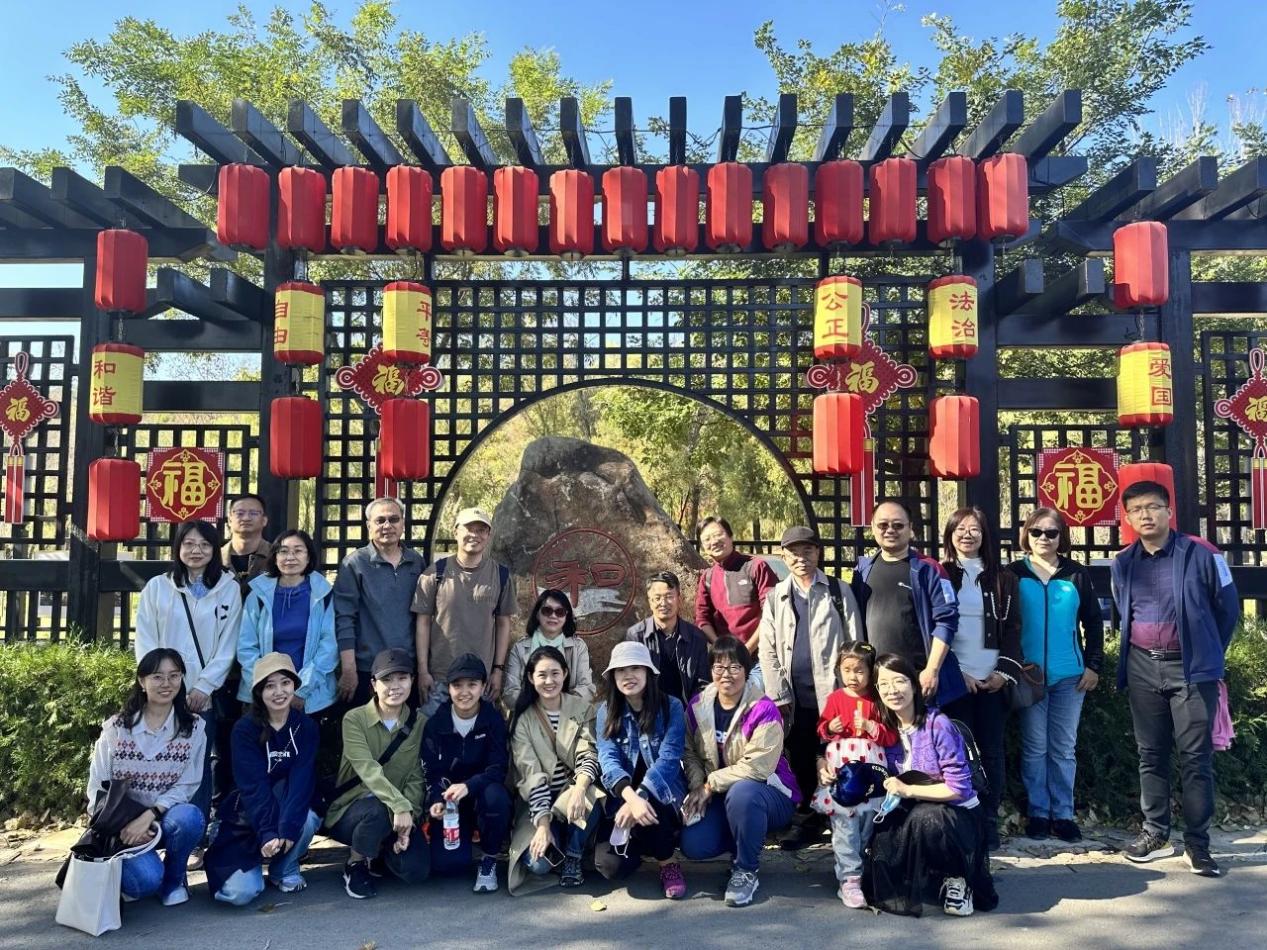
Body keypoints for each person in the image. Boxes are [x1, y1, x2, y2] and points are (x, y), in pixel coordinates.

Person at [1113, 480, 1240, 877]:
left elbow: (1228, 610)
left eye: (1153, 506)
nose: (1145, 515)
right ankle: (1155, 833)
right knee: (1150, 754)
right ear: (1128, 518)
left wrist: (1207, 653)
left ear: (1169, 511)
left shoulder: (1203, 553)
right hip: (1142, 666)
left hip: (1191, 669)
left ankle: (1197, 844)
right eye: (1137, 510)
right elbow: (1123, 609)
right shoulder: (1124, 561)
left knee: (1195, 758)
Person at [864, 653, 997, 918]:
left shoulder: (938, 725)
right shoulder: (885, 730)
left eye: (899, 681)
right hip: (913, 808)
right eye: (884, 684)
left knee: (927, 818)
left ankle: (957, 878)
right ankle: (929, 872)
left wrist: (908, 790)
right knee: (883, 842)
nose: (892, 690)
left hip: (956, 814)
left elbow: (958, 789)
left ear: (914, 685)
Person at [133, 521, 243, 838]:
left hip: (201, 696)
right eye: (189, 544)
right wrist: (159, 684)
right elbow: (146, 640)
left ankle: (194, 833)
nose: (196, 551)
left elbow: (228, 645)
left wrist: (204, 686)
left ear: (214, 549)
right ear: (178, 547)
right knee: (159, 762)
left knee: (197, 763)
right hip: (161, 694)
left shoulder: (228, 589)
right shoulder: (158, 588)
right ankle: (153, 830)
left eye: (204, 545)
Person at [757, 524, 862, 850]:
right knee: (801, 756)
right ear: (784, 556)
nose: (801, 557)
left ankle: (840, 815)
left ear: (818, 552)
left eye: (808, 550)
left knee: (836, 753)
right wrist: (778, 694)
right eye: (793, 552)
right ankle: (807, 820)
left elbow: (856, 641)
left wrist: (854, 690)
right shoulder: (776, 596)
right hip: (794, 697)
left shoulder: (838, 591)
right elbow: (767, 648)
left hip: (833, 693)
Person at [680, 636, 799, 908]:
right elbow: (689, 751)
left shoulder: (764, 709)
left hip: (768, 792)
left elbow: (757, 767)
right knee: (695, 844)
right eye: (719, 667)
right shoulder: (698, 705)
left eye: (734, 667)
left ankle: (746, 869)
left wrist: (709, 785)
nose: (726, 674)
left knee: (743, 793)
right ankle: (743, 839)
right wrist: (698, 786)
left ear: (746, 671)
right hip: (722, 794)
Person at [1008, 507, 1103, 843]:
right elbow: (1003, 624)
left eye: (1051, 533)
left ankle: (1063, 814)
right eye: (1037, 532)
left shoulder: (1076, 574)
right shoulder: (1014, 574)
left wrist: (1093, 665)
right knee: (1035, 747)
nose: (1044, 538)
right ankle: (1038, 812)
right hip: (1029, 676)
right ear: (1026, 535)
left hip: (1070, 676)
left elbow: (1094, 621)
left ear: (1061, 537)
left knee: (1063, 748)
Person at [86, 648, 207, 905]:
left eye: (174, 676)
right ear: (142, 681)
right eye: (157, 677)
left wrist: (150, 816)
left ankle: (174, 880)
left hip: (163, 817)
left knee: (190, 817)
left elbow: (188, 783)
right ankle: (135, 875)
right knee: (147, 880)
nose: (166, 683)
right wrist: (125, 827)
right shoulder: (117, 729)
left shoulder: (194, 728)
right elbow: (98, 787)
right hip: (122, 826)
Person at [205, 653, 322, 905]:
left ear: (294, 686)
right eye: (270, 686)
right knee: (238, 893)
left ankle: (284, 868)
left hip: (287, 804)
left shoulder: (306, 727)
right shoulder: (244, 729)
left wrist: (288, 827)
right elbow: (253, 786)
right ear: (259, 692)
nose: (279, 692)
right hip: (249, 813)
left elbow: (301, 780)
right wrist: (267, 831)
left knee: (309, 817)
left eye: (285, 683)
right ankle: (250, 863)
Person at [939, 507, 1023, 850]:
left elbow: (1013, 629)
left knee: (991, 752)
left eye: (974, 529)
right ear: (950, 535)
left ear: (985, 535)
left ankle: (988, 821)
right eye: (960, 528)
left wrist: (1003, 673)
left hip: (992, 680)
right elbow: (930, 628)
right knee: (956, 751)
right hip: (954, 679)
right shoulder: (940, 573)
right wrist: (955, 672)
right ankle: (962, 819)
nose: (967, 534)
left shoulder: (1003, 578)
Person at [324, 648, 429, 899]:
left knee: (415, 871)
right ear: (373, 684)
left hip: (398, 815)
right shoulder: (354, 719)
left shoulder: (420, 723)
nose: (395, 686)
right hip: (353, 811)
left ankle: (380, 852)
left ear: (412, 681)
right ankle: (356, 863)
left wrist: (409, 818)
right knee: (376, 810)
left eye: (402, 678)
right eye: (386, 679)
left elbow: (416, 776)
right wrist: (399, 805)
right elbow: (367, 769)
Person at [594, 641, 688, 900]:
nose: (628, 676)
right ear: (613, 677)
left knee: (652, 804)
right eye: (621, 670)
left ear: (648, 672)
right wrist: (631, 799)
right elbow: (607, 759)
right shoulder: (606, 711)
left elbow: (669, 760)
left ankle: (667, 862)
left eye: (635, 668)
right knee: (610, 866)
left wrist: (641, 797)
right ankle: (641, 843)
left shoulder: (671, 707)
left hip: (662, 795)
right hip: (623, 799)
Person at [507, 645, 603, 894]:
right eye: (542, 675)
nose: (549, 681)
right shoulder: (523, 719)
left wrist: (579, 789)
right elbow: (531, 775)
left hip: (572, 792)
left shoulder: (582, 708)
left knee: (591, 794)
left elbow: (588, 754)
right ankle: (556, 837)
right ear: (531, 678)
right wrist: (542, 825)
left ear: (565, 673)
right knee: (537, 863)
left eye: (555, 673)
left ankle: (573, 854)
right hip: (539, 800)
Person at [850, 500, 964, 707]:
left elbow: (947, 622)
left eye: (898, 525)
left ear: (910, 528)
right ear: (872, 528)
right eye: (883, 525)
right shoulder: (863, 571)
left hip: (921, 680)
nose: (890, 530)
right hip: (880, 682)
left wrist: (932, 670)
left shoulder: (930, 569)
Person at [812, 641, 898, 907]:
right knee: (845, 824)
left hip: (872, 771)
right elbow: (821, 731)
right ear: (838, 670)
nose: (853, 676)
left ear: (871, 672)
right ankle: (849, 878)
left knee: (867, 826)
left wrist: (872, 727)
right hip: (843, 771)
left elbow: (891, 736)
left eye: (859, 671)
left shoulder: (877, 699)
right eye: (847, 670)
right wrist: (830, 727)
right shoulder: (835, 698)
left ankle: (860, 869)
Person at [421, 653, 511, 893]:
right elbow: (431, 771)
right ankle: (464, 838)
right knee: (448, 866)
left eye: (472, 685)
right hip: (451, 804)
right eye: (457, 685)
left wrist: (469, 785)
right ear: (448, 688)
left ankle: (489, 858)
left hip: (482, 795)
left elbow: (498, 768)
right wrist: (436, 800)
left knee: (497, 796)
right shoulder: (436, 724)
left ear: (483, 687)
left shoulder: (493, 720)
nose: (464, 692)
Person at [413, 507, 516, 716]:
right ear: (456, 532)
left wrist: (498, 670)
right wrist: (423, 670)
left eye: (481, 530)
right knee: (429, 731)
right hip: (440, 678)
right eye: (469, 529)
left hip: (481, 680)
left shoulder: (500, 575)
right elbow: (422, 623)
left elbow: (503, 624)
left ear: (488, 535)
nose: (474, 535)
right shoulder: (434, 574)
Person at [333, 498, 427, 709]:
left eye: (393, 519)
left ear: (403, 524)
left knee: (407, 726)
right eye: (380, 520)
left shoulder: (416, 561)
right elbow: (344, 618)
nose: (387, 525)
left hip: (407, 666)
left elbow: (424, 618)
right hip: (367, 668)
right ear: (369, 526)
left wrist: (423, 669)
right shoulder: (354, 564)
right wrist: (349, 668)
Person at [236, 530, 338, 718]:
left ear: (309, 557)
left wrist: (302, 689)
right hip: (263, 696)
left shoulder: (323, 594)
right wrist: (266, 687)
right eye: (283, 551)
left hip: (311, 696)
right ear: (275, 558)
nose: (290, 557)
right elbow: (246, 647)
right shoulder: (257, 595)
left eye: (298, 551)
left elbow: (329, 646)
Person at [625, 570, 710, 709]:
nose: (663, 603)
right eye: (657, 598)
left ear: (679, 599)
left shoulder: (696, 637)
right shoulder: (636, 636)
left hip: (687, 711)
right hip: (649, 710)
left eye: (669, 596)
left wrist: (691, 712)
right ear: (650, 602)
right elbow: (632, 682)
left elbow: (703, 684)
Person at [502, 589, 595, 710]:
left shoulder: (578, 647)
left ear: (566, 616)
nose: (553, 616)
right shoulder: (520, 648)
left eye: (560, 612)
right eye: (547, 610)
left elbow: (587, 690)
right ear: (537, 614)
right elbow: (510, 694)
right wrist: (539, 705)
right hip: (530, 715)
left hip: (568, 715)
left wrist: (559, 705)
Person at [695, 516, 777, 649]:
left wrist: (747, 650)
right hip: (725, 655)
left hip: (761, 653)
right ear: (703, 546)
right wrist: (720, 648)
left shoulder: (756, 567)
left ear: (731, 536)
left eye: (718, 535)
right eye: (707, 539)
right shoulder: (707, 578)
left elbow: (771, 612)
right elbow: (702, 618)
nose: (714, 542)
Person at [221, 493, 271, 596]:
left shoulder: (276, 556)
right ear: (229, 520)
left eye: (253, 513)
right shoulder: (215, 557)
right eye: (240, 513)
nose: (246, 518)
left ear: (264, 520)